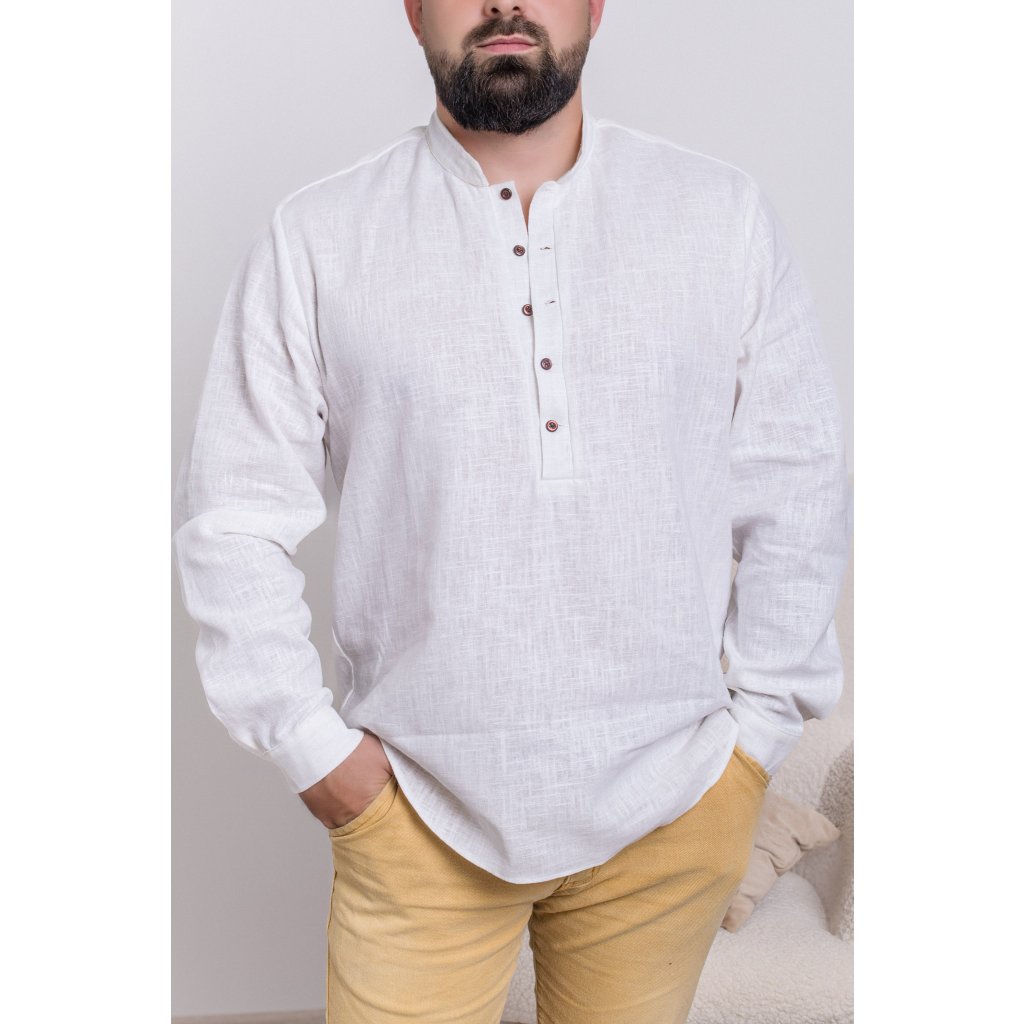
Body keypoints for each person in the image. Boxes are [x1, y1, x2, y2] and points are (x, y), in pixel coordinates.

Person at [171, 1, 852, 1020]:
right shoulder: (320, 235)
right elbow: (233, 516)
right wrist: (316, 755)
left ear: (595, 6)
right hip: (416, 814)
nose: (503, 4)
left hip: (672, 806)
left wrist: (754, 740)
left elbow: (797, 482)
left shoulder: (718, 217)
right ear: (412, 11)